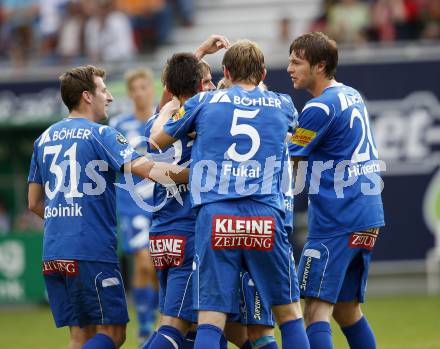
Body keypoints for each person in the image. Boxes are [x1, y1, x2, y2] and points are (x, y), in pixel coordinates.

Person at [150, 39, 309, 349]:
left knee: (211, 319)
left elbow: (157, 141)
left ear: (224, 71)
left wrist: (173, 110)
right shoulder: (283, 104)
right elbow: (300, 144)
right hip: (265, 215)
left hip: (216, 215)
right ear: (263, 73)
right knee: (289, 314)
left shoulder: (204, 103)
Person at [27, 65, 188, 349]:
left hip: (54, 250)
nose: (110, 97)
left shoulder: (44, 138)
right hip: (90, 250)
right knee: (114, 334)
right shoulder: (101, 134)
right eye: (104, 90)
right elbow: (149, 170)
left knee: (80, 336)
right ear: (87, 96)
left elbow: (33, 202)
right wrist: (200, 174)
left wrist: (63, 216)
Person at [287, 32, 385, 349]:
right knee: (347, 310)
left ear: (320, 66)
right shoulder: (350, 94)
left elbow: (289, 158)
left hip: (338, 219)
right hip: (367, 215)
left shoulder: (320, 107)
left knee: (315, 310)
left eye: (297, 62)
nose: (289, 68)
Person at [109, 68, 159, 344]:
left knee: (155, 266)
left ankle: (151, 323)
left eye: (144, 87)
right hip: (132, 205)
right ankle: (146, 326)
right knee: (144, 263)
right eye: (134, 89)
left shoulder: (162, 121)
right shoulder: (119, 126)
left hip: (162, 204)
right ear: (129, 93)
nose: (139, 93)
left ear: (151, 89)